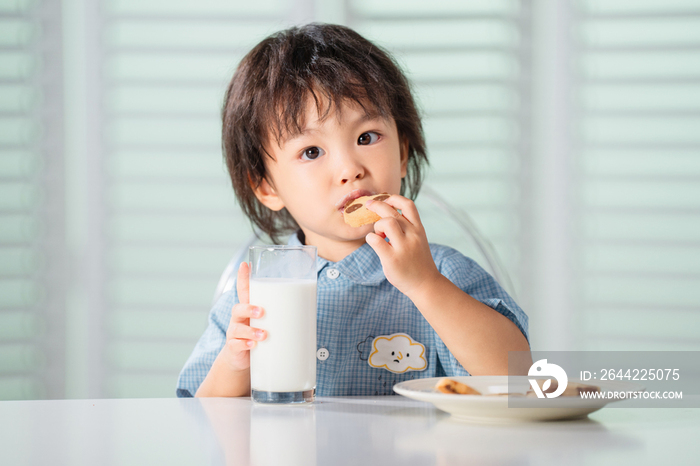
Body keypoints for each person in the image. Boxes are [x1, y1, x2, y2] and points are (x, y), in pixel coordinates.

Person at [177, 23, 530, 398]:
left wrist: (425, 285)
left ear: (402, 152)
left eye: (367, 137)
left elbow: (520, 378)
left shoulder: (442, 272)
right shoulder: (257, 296)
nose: (350, 169)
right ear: (266, 186)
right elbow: (197, 418)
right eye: (311, 152)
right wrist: (235, 364)